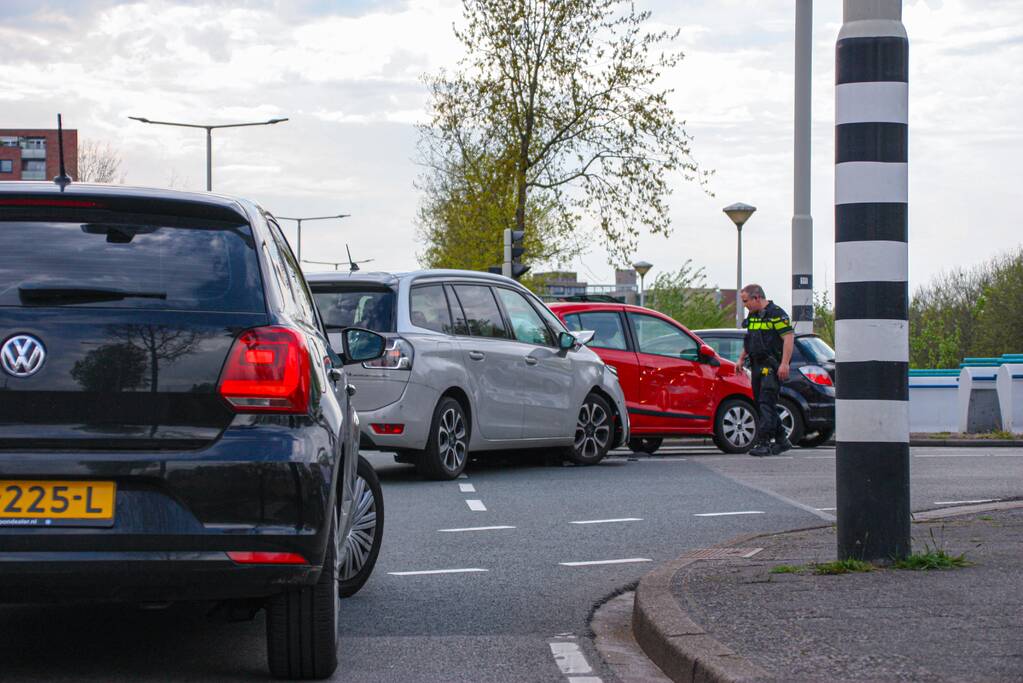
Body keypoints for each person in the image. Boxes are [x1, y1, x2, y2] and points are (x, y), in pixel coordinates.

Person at [734, 284, 795, 456]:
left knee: (766, 402)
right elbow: (750, 339)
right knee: (762, 403)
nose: (745, 305)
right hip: (756, 364)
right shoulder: (753, 315)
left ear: (757, 297)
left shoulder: (776, 313)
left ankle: (764, 443)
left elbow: (788, 338)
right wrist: (740, 358)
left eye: (746, 301)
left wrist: (785, 363)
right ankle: (782, 440)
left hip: (771, 365)